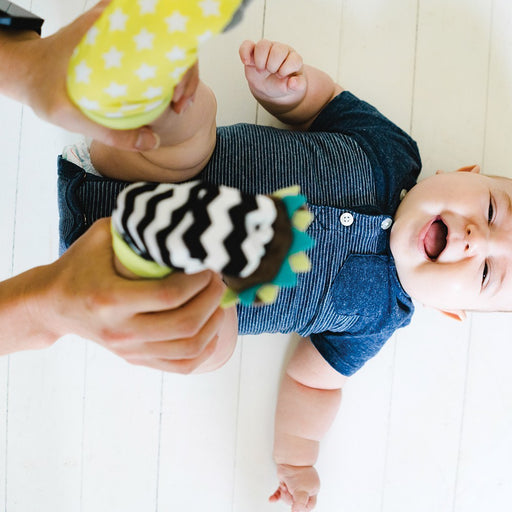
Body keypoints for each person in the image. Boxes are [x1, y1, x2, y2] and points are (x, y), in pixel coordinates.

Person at [58, 39, 512, 511]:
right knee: (195, 118)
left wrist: (297, 460)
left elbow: (313, 383)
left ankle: (116, 289)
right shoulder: (390, 150)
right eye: (491, 210)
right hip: (137, 172)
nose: (474, 239)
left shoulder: (378, 315)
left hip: (137, 273)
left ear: (450, 310)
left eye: (485, 273)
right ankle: (145, 79)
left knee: (214, 339)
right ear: (464, 172)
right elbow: (324, 103)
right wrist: (285, 90)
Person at [0, 0, 230, 373]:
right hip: (185, 195)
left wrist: (24, 62)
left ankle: (143, 101)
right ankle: (148, 99)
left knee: (206, 334)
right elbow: (323, 109)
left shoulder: (346, 340)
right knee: (187, 129)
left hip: (123, 238)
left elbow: (313, 382)